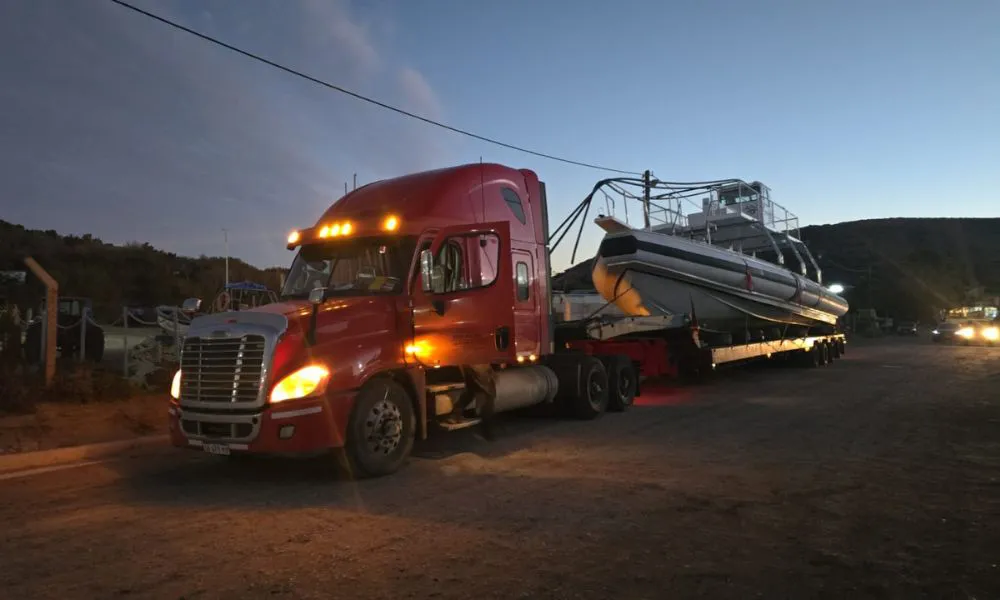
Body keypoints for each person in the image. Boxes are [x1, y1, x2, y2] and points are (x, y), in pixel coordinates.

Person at [447, 363, 497, 440]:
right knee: (487, 398)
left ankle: (455, 414)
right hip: (477, 365)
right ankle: (487, 434)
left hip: (474, 365)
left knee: (473, 391)